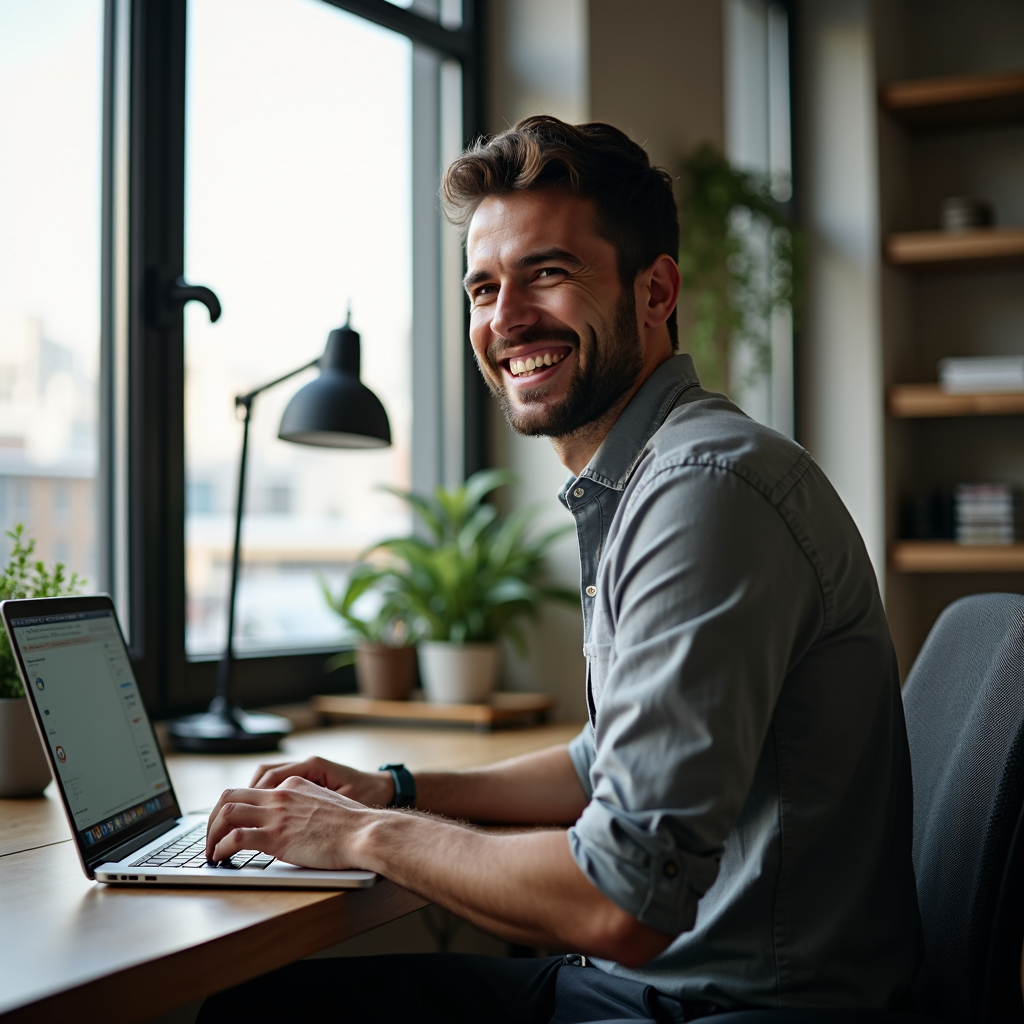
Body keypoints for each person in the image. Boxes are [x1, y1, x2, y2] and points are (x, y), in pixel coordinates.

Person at [198, 116, 922, 1023]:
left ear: (656, 291)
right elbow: (602, 762)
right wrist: (397, 789)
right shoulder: (655, 475)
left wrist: (365, 834)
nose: (506, 320)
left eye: (548, 273)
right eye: (483, 287)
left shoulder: (703, 490)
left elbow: (619, 898)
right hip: (676, 989)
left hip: (724, 1009)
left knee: (257, 1016)